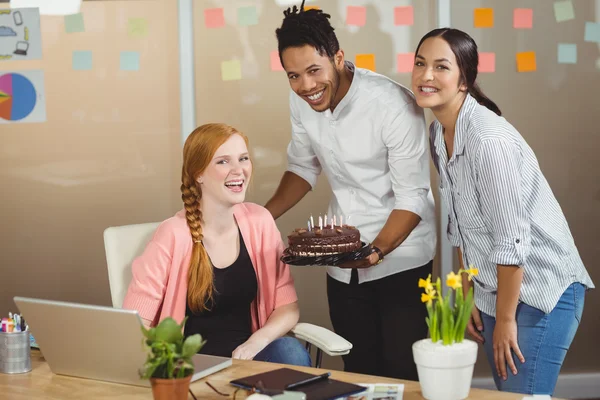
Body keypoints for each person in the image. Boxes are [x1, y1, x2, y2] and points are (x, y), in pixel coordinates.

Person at [411, 28, 595, 395]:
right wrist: (468, 292)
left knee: (522, 396)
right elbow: (461, 222)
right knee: (509, 392)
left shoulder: (487, 140)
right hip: (498, 288)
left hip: (543, 290)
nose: (425, 75)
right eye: (420, 63)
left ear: (465, 79)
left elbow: (511, 239)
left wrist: (507, 318)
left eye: (441, 67)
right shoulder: (438, 134)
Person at [265, 1, 436, 380]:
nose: (306, 86)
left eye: (313, 71)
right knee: (356, 369)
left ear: (338, 57)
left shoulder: (393, 105)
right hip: (343, 264)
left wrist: (374, 252)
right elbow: (303, 166)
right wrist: (258, 216)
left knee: (400, 372)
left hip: (402, 257)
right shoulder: (302, 102)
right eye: (293, 76)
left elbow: (413, 197)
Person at [123, 123, 311, 367]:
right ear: (198, 174)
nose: (239, 170)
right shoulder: (172, 234)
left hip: (248, 360)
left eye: (243, 159)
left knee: (290, 351)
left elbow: (288, 308)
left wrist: (255, 343)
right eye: (223, 162)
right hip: (190, 368)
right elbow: (136, 323)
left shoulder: (260, 222)